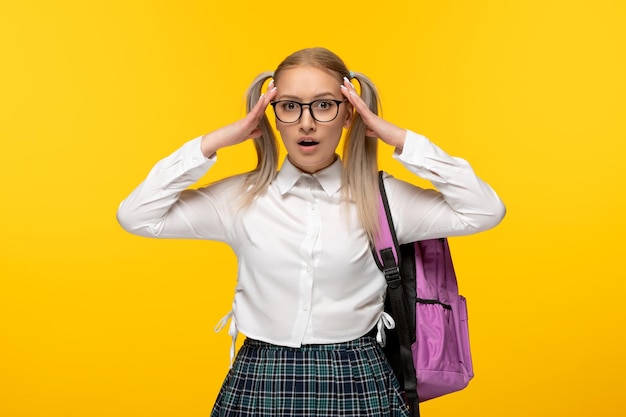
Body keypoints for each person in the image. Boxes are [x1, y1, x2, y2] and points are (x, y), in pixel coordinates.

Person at [117, 47, 505, 416]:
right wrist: (217, 141)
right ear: (271, 114)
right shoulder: (241, 197)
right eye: (289, 106)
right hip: (261, 378)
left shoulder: (383, 198)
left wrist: (399, 138)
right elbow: (137, 216)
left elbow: (485, 210)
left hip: (356, 376)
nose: (306, 122)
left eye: (324, 105)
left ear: (349, 113)